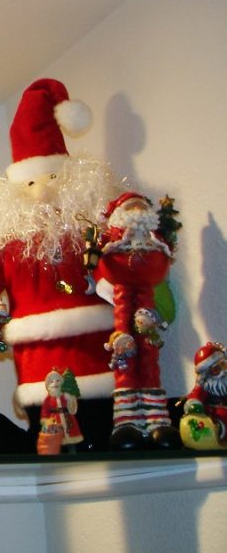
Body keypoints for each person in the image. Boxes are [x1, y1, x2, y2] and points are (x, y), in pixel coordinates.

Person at [0, 78, 119, 452]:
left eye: (52, 178)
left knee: (97, 423)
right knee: (45, 427)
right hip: (35, 358)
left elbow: (119, 267)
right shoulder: (5, 234)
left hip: (95, 349)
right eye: (30, 182)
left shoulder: (89, 226)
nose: (41, 190)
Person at [93, 192, 180, 448]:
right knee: (125, 366)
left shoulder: (156, 246)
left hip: (146, 309)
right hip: (123, 307)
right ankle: (126, 424)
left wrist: (150, 316)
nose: (136, 212)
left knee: (149, 362)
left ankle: (157, 421)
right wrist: (121, 333)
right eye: (130, 208)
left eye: (140, 208)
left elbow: (160, 267)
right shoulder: (113, 247)